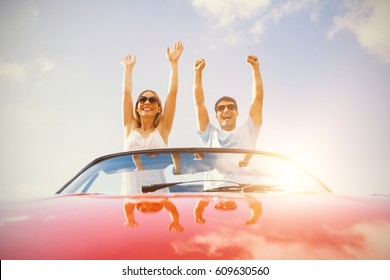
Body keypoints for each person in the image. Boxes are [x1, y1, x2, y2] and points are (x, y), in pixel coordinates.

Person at [119, 41, 184, 194]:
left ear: (158, 108)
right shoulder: (130, 127)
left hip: (158, 195)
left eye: (152, 99)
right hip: (130, 196)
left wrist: (174, 64)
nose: (147, 102)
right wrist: (128, 69)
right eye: (142, 99)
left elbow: (172, 94)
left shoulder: (162, 129)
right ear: (136, 107)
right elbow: (126, 94)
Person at [193, 55, 264, 150]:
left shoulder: (248, 131)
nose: (226, 110)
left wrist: (255, 68)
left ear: (237, 112)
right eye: (221, 108)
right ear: (216, 115)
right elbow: (199, 103)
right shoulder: (209, 135)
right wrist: (197, 73)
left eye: (230, 107)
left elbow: (258, 99)